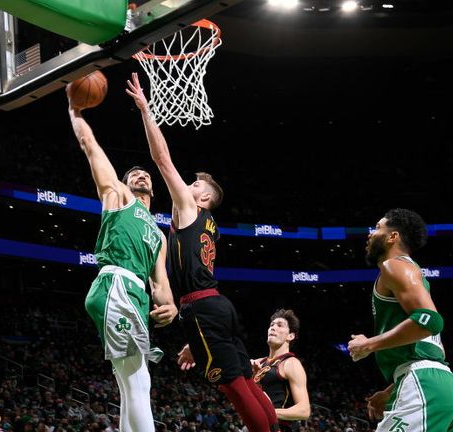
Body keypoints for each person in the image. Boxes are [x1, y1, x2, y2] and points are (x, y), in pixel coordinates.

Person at [125, 72, 278, 432]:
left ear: (205, 197)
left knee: (233, 386)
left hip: (201, 306)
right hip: (216, 305)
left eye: (195, 185)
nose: (188, 186)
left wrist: (146, 110)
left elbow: (161, 159)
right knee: (246, 380)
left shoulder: (191, 209)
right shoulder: (209, 224)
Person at [67, 85, 178, 432]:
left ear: (154, 188)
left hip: (136, 297)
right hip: (115, 284)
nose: (141, 175)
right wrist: (75, 112)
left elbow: (160, 284)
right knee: (138, 382)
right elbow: (91, 147)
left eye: (145, 175)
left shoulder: (159, 234)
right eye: (134, 176)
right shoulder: (118, 196)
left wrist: (171, 306)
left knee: (132, 385)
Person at [347, 208, 453, 432]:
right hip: (444, 386)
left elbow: (430, 321)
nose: (370, 234)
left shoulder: (394, 265)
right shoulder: (410, 275)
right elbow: (426, 347)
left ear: (393, 236)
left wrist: (368, 344)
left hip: (425, 384)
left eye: (377, 228)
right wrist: (390, 391)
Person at [251, 309, 310, 431]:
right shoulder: (258, 363)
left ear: (290, 336)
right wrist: (249, 377)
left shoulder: (291, 363)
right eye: (271, 325)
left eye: (279, 325)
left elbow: (304, 410)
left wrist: (269, 412)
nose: (273, 328)